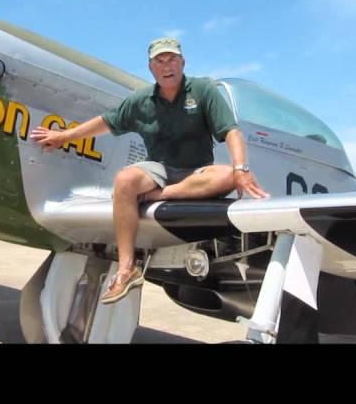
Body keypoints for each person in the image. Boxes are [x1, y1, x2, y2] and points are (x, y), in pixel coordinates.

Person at [30, 37, 268, 304]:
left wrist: (241, 168)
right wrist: (65, 136)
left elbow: (231, 131)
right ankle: (126, 269)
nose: (167, 66)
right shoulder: (142, 100)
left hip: (196, 171)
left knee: (226, 175)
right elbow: (106, 122)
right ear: (151, 68)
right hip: (158, 167)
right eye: (160, 61)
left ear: (182, 63)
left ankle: (155, 196)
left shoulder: (203, 90)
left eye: (172, 59)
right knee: (124, 180)